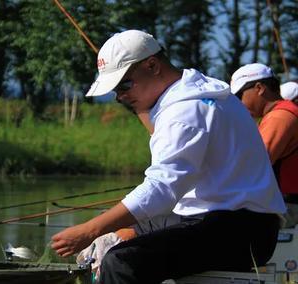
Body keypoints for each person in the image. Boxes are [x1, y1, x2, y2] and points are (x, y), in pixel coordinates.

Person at [51, 30, 286, 283]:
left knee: (121, 262)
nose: (120, 96)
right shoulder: (196, 93)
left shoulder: (186, 110)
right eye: (115, 91)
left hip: (242, 232)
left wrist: (89, 230)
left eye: (124, 85)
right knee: (118, 238)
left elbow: (161, 190)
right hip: (238, 222)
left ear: (152, 66)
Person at [231, 64, 298, 228]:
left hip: (287, 207)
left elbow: (254, 165)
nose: (239, 102)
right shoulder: (284, 112)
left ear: (259, 88)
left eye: (240, 95)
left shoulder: (280, 116)